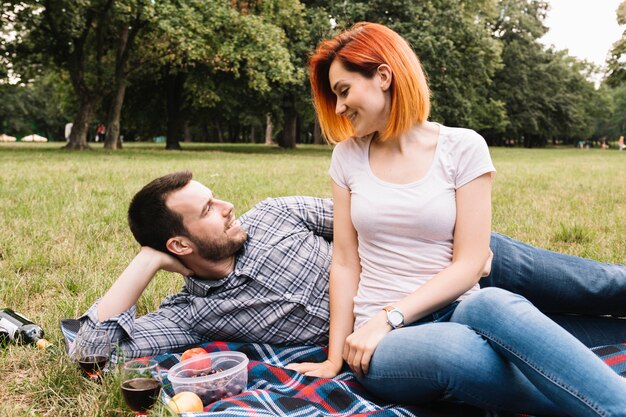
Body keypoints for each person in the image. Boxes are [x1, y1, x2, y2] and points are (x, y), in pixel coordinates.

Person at [286, 23, 626, 416]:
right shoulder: (346, 157)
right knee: (456, 348)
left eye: (343, 91)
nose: (340, 107)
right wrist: (336, 357)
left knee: (495, 301)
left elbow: (470, 263)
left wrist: (392, 315)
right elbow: (344, 263)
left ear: (382, 76)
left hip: (454, 307)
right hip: (383, 340)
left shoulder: (463, 147)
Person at [78, 171, 626, 364]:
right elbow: (90, 347)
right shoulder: (194, 314)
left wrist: (467, 252)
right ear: (180, 244)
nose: (225, 207)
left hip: (471, 261)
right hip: (438, 320)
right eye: (207, 210)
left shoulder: (273, 215)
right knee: (588, 342)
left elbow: (374, 219)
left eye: (215, 197)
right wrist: (145, 261)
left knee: (604, 285)